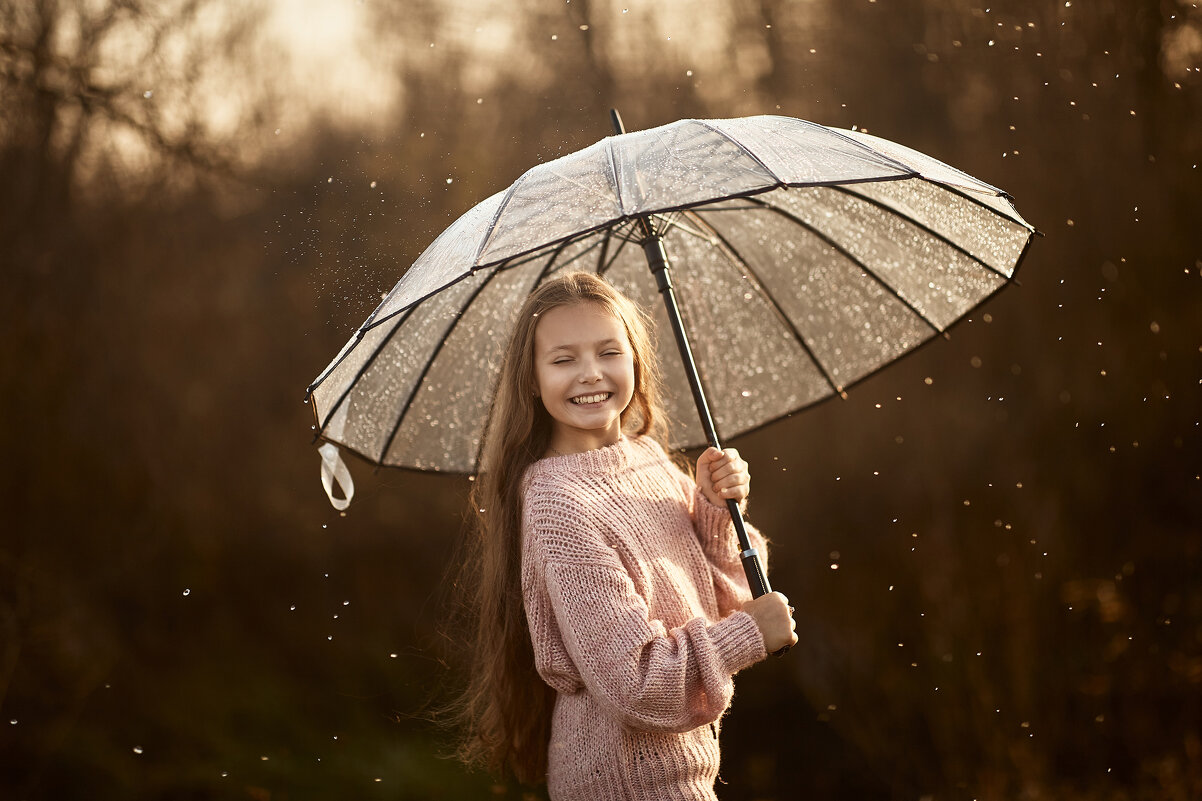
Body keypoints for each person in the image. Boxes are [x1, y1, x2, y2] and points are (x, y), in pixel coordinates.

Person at [450, 271, 796, 800]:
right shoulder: (557, 503)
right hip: (623, 782)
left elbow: (732, 598)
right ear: (531, 378)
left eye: (608, 352)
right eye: (564, 359)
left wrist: (713, 509)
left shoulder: (648, 459)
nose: (590, 374)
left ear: (635, 358)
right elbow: (636, 684)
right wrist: (746, 636)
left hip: (684, 771)